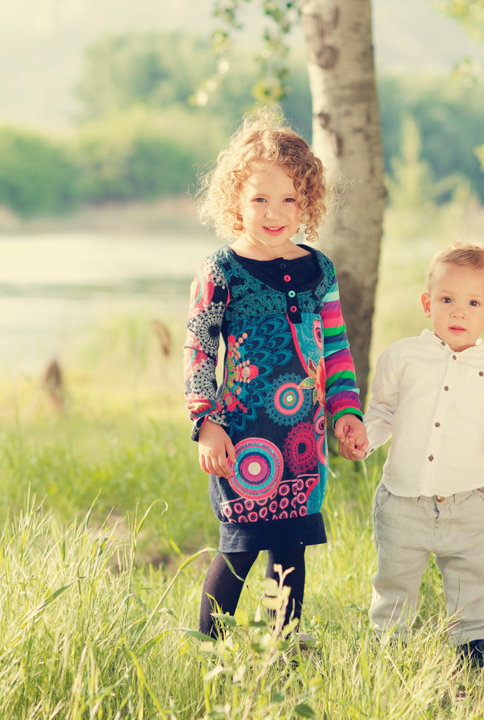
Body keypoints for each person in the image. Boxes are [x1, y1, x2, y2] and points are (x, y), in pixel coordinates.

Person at [183, 112, 368, 641]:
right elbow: (199, 349)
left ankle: (278, 644)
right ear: (235, 201)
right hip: (242, 437)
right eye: (260, 199)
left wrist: (347, 412)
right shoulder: (221, 270)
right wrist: (205, 423)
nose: (274, 212)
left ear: (307, 200)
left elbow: (335, 349)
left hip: (304, 440)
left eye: (289, 199)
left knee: (289, 549)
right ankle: (209, 645)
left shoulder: (319, 270)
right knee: (240, 546)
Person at [356, 242, 484, 670]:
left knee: (471, 574)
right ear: (426, 302)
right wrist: (366, 438)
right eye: (447, 300)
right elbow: (382, 411)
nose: (458, 312)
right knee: (395, 576)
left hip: (467, 501)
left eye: (473, 302)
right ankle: (388, 644)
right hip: (404, 498)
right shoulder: (402, 357)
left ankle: (475, 643)